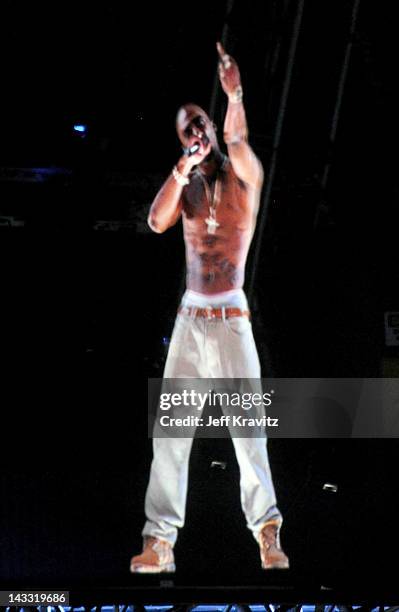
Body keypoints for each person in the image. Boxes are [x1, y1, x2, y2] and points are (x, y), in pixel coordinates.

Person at [130, 42, 289, 573]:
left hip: (232, 320)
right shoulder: (187, 186)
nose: (195, 134)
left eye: (199, 123)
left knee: (249, 433)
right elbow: (155, 223)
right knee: (171, 437)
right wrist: (180, 169)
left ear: (212, 123)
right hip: (190, 321)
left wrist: (234, 94)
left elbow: (239, 139)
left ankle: (267, 534)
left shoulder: (244, 174)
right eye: (186, 131)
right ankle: (160, 542)